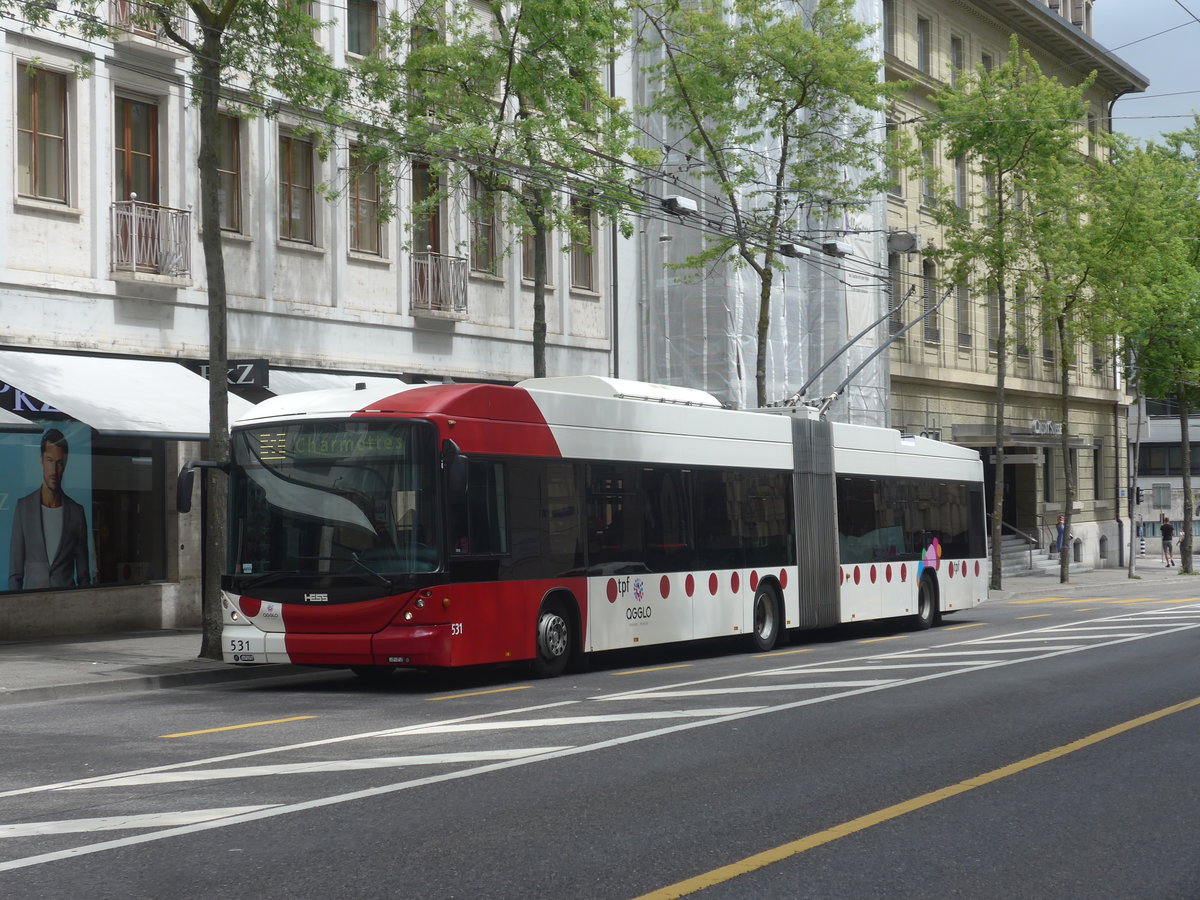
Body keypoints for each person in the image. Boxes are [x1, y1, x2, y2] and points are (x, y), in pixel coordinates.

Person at [7, 428, 90, 590]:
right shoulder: (24, 508)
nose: (54, 470)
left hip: (67, 605)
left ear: (65, 464)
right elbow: (15, 573)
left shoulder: (76, 512)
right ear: (41, 461)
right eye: (50, 460)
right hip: (33, 605)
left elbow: (83, 574)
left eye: (59, 463)